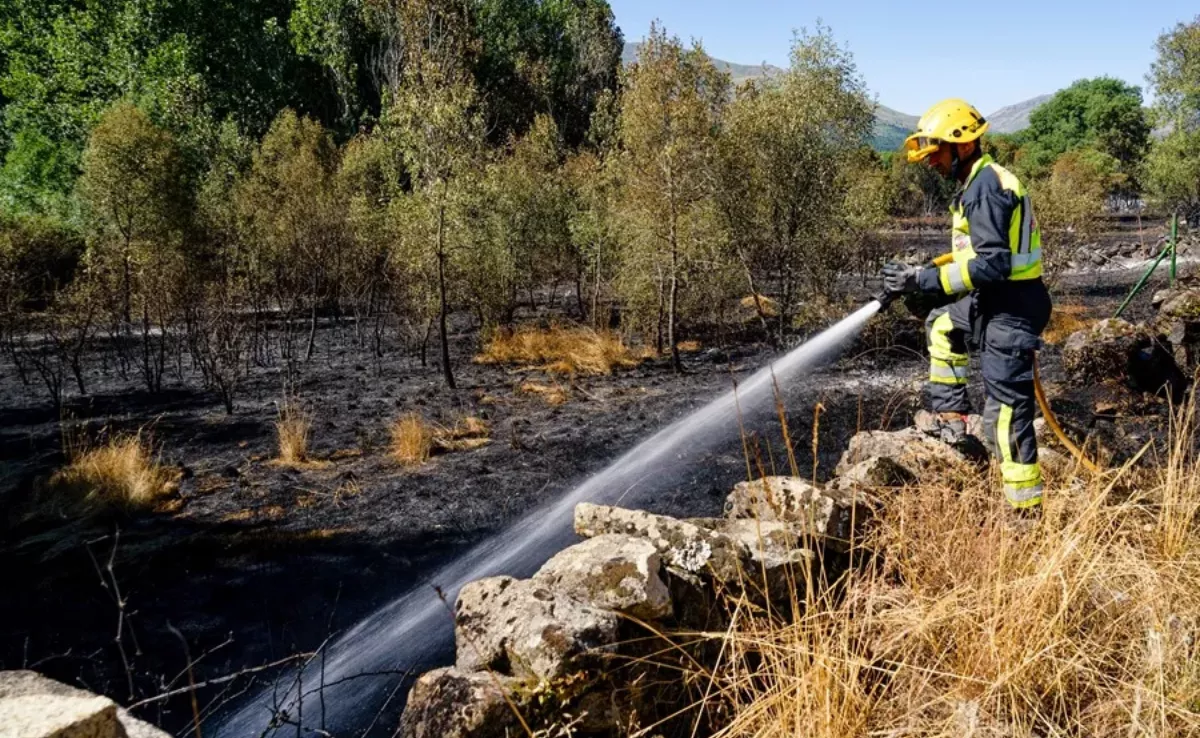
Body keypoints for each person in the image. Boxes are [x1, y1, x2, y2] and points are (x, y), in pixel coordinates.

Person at [881, 99, 1052, 514]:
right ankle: (952, 421)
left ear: (961, 146)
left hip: (1010, 309)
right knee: (942, 326)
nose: (929, 162)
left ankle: (1025, 514)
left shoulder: (985, 188)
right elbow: (972, 254)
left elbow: (992, 265)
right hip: (991, 301)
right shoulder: (979, 181)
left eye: (935, 152)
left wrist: (921, 281)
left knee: (1007, 417)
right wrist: (917, 274)